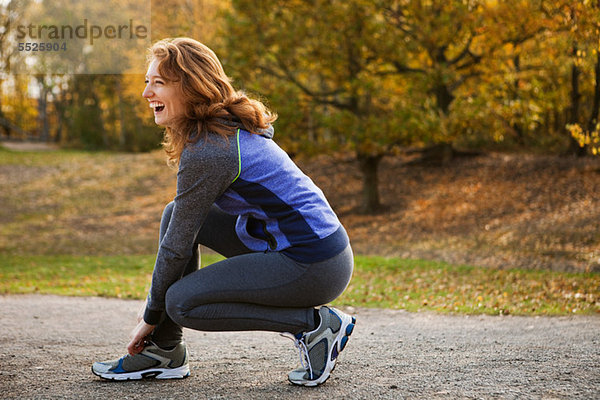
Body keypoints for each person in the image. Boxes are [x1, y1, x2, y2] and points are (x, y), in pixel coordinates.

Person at [91, 37, 355, 387]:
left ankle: (314, 326)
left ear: (190, 86)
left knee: (181, 302)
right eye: (146, 81)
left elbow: (176, 247)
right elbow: (181, 227)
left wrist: (150, 316)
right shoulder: (218, 131)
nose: (146, 93)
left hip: (315, 263)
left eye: (158, 83)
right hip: (305, 249)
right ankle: (164, 351)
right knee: (174, 214)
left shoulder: (211, 149)